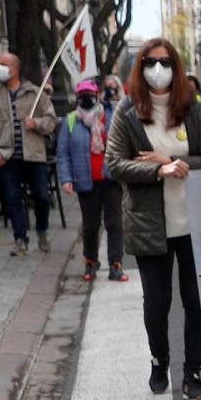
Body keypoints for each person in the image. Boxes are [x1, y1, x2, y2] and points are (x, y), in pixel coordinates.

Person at [104, 37, 201, 400]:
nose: (159, 69)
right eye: (152, 62)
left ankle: (193, 373)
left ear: (177, 66)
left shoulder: (193, 108)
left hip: (193, 223)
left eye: (166, 61)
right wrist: (158, 168)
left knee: (195, 301)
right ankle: (160, 360)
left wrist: (179, 162)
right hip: (148, 223)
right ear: (140, 68)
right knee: (157, 304)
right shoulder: (127, 111)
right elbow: (115, 164)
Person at [0, 51, 57, 256]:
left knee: (41, 195)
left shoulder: (33, 93)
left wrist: (36, 123)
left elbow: (51, 121)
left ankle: (42, 231)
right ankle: (20, 238)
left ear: (15, 68)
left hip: (34, 154)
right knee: (12, 198)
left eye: (3, 64)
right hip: (7, 156)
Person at [56, 78, 127, 282]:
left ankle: (116, 263)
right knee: (90, 224)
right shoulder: (71, 120)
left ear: (97, 95)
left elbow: (122, 141)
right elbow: (63, 153)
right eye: (82, 95)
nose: (86, 98)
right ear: (77, 98)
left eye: (90, 94)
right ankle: (90, 261)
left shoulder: (111, 115)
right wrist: (66, 179)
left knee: (114, 222)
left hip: (111, 177)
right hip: (85, 180)